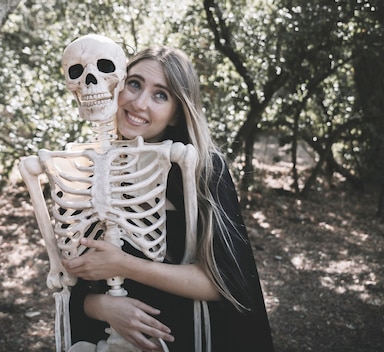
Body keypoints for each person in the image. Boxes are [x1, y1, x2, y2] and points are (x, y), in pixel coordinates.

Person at [62, 47, 274, 351]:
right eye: (134, 84)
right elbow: (76, 281)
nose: (139, 102)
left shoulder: (202, 170)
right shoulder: (92, 169)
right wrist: (100, 306)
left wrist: (123, 264)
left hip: (187, 339)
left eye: (160, 95)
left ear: (177, 111)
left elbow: (226, 283)